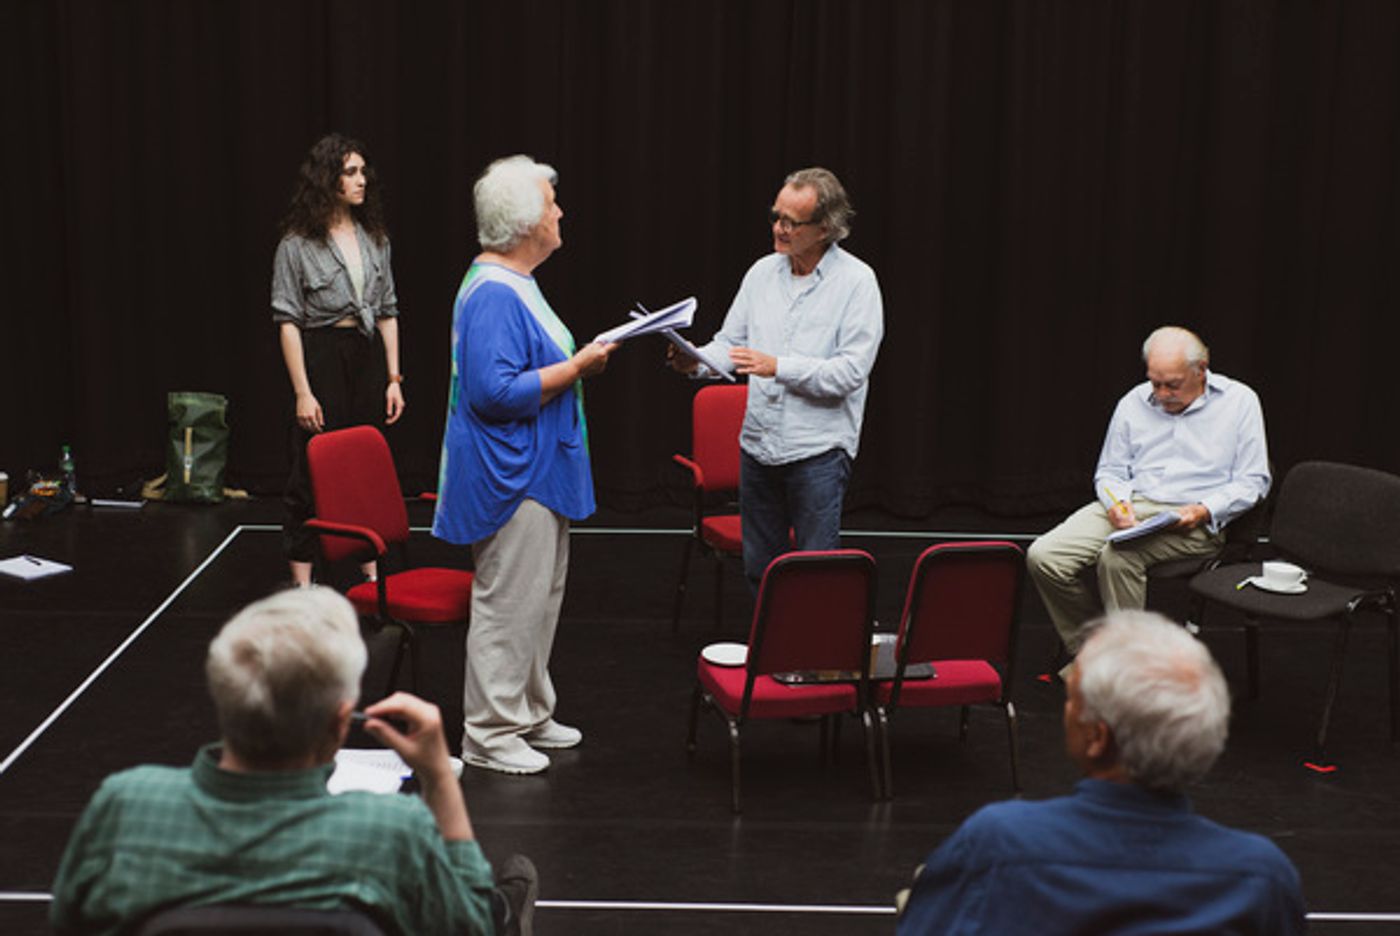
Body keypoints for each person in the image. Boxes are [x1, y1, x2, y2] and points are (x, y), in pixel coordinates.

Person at [50, 587, 537, 936]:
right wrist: (438, 778)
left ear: (223, 700)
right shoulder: (392, 833)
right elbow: (475, 926)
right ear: (340, 722)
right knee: (513, 886)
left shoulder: (125, 808)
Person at [896, 611, 1306, 935]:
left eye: (1072, 698)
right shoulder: (1262, 877)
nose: (1066, 709)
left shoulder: (998, 844)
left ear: (1096, 737)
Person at [433, 155, 616, 776]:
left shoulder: (517, 281)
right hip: (510, 473)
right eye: (550, 203)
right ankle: (489, 731)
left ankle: (529, 710)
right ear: (524, 221)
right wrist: (579, 366)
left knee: (538, 597)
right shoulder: (493, 292)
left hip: (536, 468)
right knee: (509, 601)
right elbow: (493, 393)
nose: (560, 212)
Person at [670, 167, 884, 591]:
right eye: (776, 216)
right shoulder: (762, 273)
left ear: (825, 228)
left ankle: (812, 639)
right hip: (758, 446)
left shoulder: (857, 283)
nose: (779, 229)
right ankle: (768, 638)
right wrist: (695, 362)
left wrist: (778, 367)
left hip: (817, 451)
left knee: (815, 575)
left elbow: (850, 372)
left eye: (791, 222)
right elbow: (731, 344)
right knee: (760, 571)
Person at [1027, 326, 1270, 657]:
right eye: (1155, 383)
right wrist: (1117, 504)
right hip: (1134, 503)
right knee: (1044, 556)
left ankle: (1130, 668)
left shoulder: (1239, 401)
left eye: (1173, 384)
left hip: (1195, 517)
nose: (1162, 393)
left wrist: (1203, 509)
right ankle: (1093, 650)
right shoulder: (1133, 401)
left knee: (1118, 558)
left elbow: (1253, 480)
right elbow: (1111, 471)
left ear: (1201, 369)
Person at [272, 132, 406, 588]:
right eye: (350, 172)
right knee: (310, 469)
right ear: (328, 179)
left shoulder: (375, 238)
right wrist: (303, 392)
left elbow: (387, 311)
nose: (361, 180)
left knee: (364, 467)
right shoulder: (296, 245)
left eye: (363, 171)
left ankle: (370, 576)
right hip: (322, 354)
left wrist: (393, 378)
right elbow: (288, 321)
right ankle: (303, 584)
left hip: (366, 355)